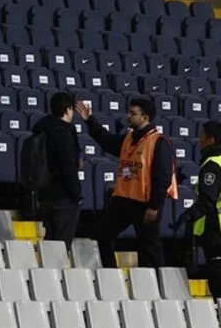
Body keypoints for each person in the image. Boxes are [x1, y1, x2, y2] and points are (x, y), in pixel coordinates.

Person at [76, 97, 177, 268]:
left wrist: (155, 205)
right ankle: (110, 275)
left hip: (145, 205)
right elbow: (107, 141)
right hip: (123, 200)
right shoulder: (129, 138)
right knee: (101, 235)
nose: (128, 116)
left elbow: (162, 177)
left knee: (150, 249)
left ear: (144, 118)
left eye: (132, 113)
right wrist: (90, 121)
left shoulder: (159, 142)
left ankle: (157, 287)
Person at [172, 120, 221, 298]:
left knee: (220, 279)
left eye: (202, 135)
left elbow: (207, 201)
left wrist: (188, 216)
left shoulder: (213, 165)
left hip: (217, 228)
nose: (199, 139)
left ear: (210, 139)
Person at [31, 92, 83, 249]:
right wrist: (76, 196)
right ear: (68, 110)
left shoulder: (42, 129)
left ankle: (47, 273)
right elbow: (67, 168)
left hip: (45, 194)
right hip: (63, 198)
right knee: (60, 246)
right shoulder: (63, 133)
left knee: (50, 244)